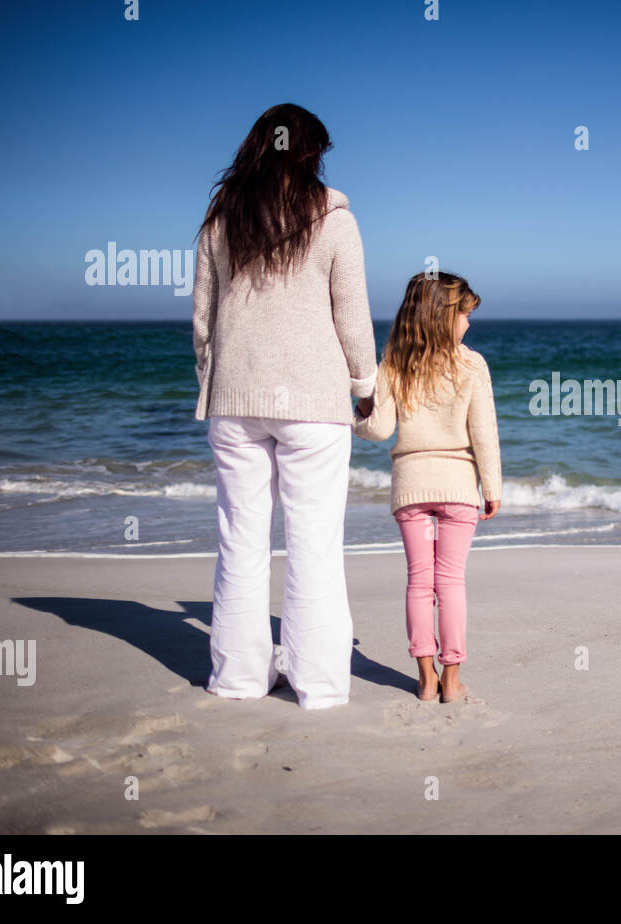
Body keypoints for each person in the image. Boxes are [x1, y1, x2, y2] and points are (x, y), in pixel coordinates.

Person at [192, 103, 376, 710]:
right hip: (314, 403)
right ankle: (318, 684)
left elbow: (203, 323)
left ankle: (238, 679)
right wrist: (365, 384)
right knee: (314, 542)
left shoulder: (221, 218)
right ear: (312, 152)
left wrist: (214, 384)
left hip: (234, 402)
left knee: (240, 540)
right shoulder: (335, 219)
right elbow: (351, 317)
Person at [356, 272, 501, 703]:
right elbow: (484, 432)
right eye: (464, 315)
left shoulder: (394, 364)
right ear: (443, 317)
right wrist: (492, 487)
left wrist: (360, 411)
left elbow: (379, 430)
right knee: (451, 582)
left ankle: (425, 679)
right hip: (458, 491)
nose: (469, 325)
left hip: (412, 489)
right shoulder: (472, 364)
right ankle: (452, 683)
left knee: (420, 582)